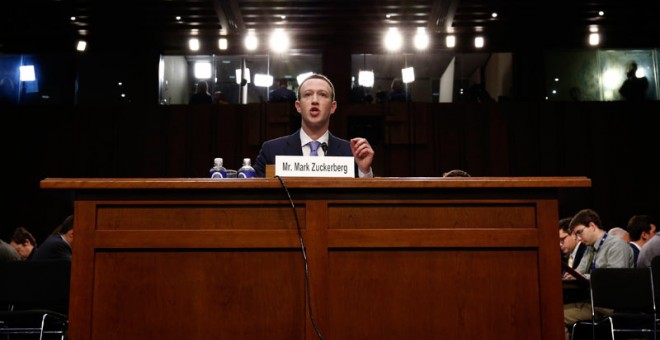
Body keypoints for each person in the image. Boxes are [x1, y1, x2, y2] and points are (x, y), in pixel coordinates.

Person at [254, 73, 374, 178]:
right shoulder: (271, 151)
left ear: (333, 107)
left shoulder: (351, 153)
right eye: (307, 94)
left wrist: (364, 171)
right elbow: (256, 198)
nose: (315, 100)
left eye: (322, 94)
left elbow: (362, 201)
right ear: (298, 106)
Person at [563, 208, 634, 340]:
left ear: (592, 226)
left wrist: (583, 276)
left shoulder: (617, 246)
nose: (578, 238)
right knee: (552, 311)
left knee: (556, 317)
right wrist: (571, 275)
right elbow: (579, 271)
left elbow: (614, 278)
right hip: (592, 302)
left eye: (580, 232)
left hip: (609, 305)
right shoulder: (590, 248)